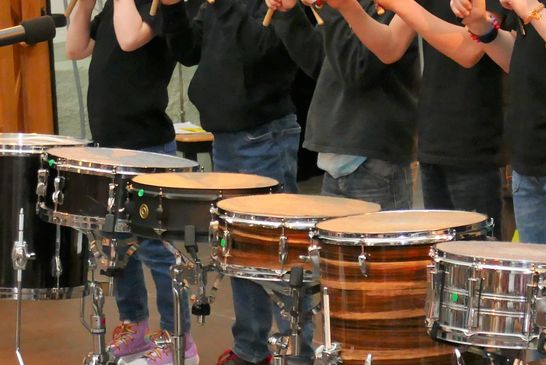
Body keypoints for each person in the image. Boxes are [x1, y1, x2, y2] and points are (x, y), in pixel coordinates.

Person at [157, 0, 322, 363]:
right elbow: (188, 51)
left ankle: (297, 352)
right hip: (226, 137)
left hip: (263, 135)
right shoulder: (218, 6)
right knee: (239, 248)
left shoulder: (273, 5)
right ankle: (251, 348)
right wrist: (172, 9)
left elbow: (264, 53)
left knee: (278, 249)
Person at [66, 1, 196, 364]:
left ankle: (178, 339)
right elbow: (75, 48)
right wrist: (84, 5)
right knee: (117, 245)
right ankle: (134, 325)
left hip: (147, 147)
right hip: (109, 146)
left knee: (156, 248)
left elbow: (128, 40)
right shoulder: (116, 7)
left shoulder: (157, 6)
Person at [451, 0, 546, 251]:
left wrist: (531, 9)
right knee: (535, 274)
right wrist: (481, 25)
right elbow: (517, 60)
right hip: (526, 163)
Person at [266, 0, 419, 210]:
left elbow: (356, 68)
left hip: (373, 156)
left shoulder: (390, 5)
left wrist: (330, 5)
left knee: (378, 234)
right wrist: (289, 14)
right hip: (337, 154)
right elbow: (321, 63)